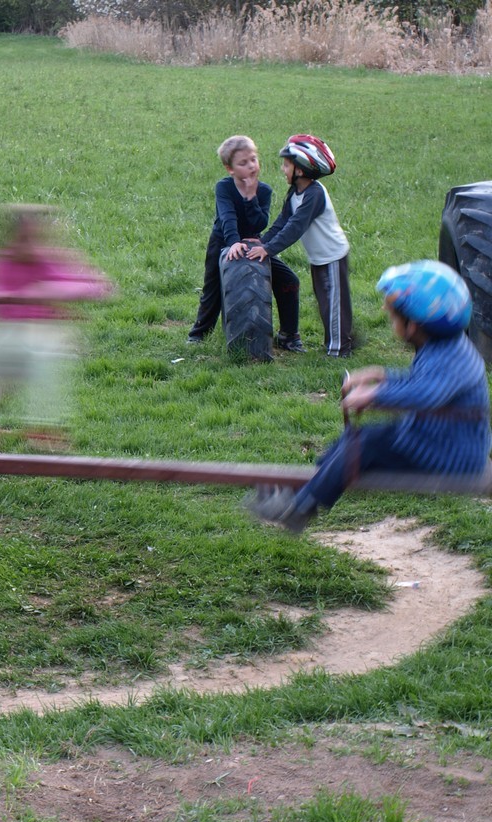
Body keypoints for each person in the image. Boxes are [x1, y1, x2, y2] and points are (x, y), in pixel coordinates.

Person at [246, 260, 490, 532]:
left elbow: (426, 393)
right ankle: (304, 488)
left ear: (413, 325)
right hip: (433, 440)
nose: (390, 320)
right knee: (354, 438)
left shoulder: (451, 358)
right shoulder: (444, 348)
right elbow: (423, 382)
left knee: (364, 444)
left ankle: (300, 508)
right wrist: (381, 376)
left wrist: (375, 394)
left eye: (393, 317)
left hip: (452, 455)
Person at [0, 204, 114, 436]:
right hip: (5, 336)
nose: (27, 246)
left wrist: (51, 290)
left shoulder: (45, 263)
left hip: (40, 337)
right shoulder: (2, 265)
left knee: (44, 361)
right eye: (22, 239)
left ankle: (44, 426)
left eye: (32, 239)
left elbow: (91, 285)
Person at [187, 135, 302, 351]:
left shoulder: (264, 190)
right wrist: (233, 242)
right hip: (223, 241)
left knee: (289, 280)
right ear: (229, 169)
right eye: (243, 163)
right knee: (213, 289)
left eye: (253, 159)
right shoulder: (224, 187)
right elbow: (227, 217)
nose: (251, 166)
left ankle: (289, 336)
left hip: (253, 246)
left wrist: (250, 197)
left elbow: (260, 222)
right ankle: (198, 333)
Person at [246, 134, 353, 357]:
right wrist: (262, 242)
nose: (283, 169)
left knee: (333, 304)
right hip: (319, 258)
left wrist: (268, 250)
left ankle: (339, 350)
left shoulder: (314, 194)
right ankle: (342, 340)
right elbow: (282, 222)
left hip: (332, 257)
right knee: (326, 303)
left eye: (286, 165)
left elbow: (295, 227)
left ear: (301, 170)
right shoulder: (295, 193)